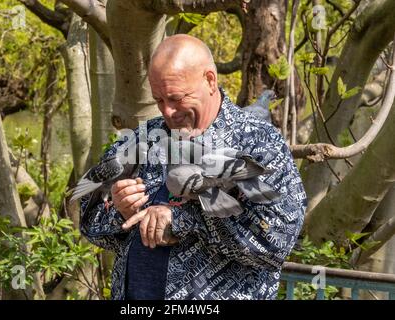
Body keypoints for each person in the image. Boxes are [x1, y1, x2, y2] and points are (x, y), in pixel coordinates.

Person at [80, 34, 307, 300]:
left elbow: (276, 243)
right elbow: (89, 223)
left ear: (210, 80)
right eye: (159, 100)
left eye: (176, 98)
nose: (167, 111)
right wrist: (119, 211)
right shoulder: (143, 139)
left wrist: (181, 220)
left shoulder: (259, 143)